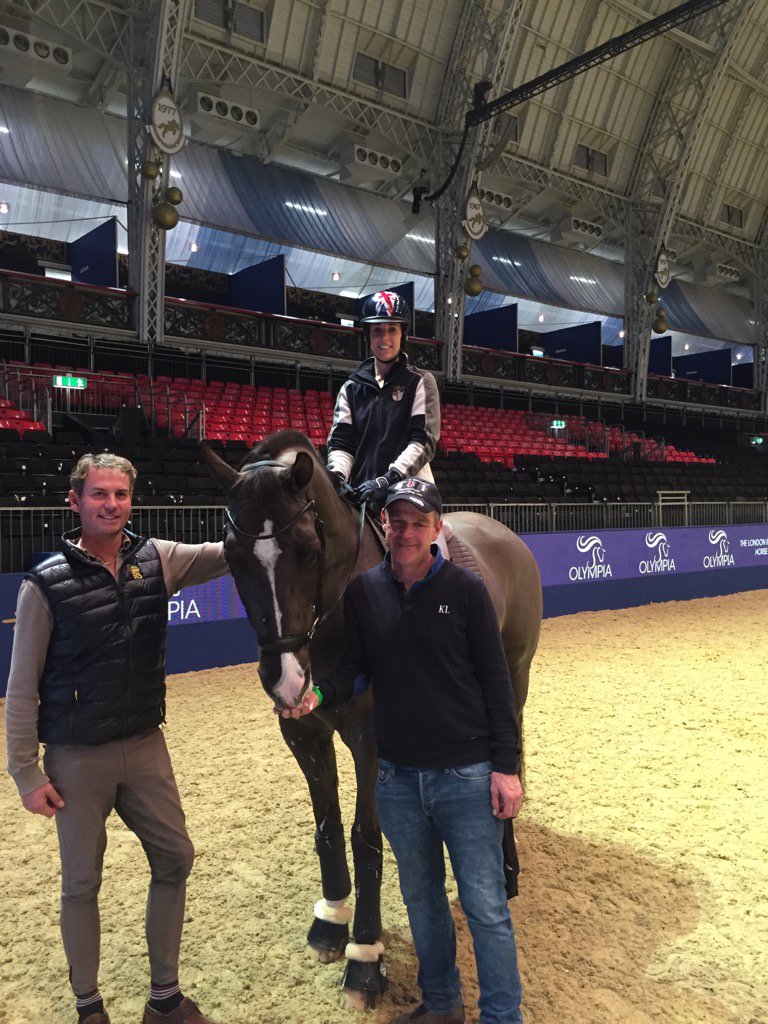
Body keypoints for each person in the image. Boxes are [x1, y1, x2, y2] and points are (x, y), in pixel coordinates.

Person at [286, 477, 524, 1024]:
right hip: (395, 779)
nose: (406, 532)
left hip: (465, 774)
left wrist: (506, 770)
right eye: (398, 523)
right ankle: (442, 1006)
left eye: (419, 523)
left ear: (437, 528)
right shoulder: (366, 591)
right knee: (422, 901)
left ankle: (501, 1016)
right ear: (385, 526)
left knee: (485, 908)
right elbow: (357, 668)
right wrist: (318, 693)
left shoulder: (465, 591)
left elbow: (497, 684)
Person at [5, 453, 229, 1024]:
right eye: (99, 494)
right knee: (82, 882)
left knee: (176, 857)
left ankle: (164, 1000)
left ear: (133, 500)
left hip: (145, 745)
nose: (111, 504)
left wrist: (277, 518)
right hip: (76, 758)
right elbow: (21, 687)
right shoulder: (45, 583)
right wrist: (26, 773)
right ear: (75, 501)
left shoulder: (158, 558)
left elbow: (233, 552)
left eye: (121, 495)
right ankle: (89, 1006)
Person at [326, 290, 441, 509]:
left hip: (409, 492)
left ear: (402, 335)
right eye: (377, 330)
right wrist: (338, 479)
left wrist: (388, 479)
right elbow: (342, 443)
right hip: (362, 493)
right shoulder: (350, 389)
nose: (384, 338)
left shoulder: (420, 382)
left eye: (392, 330)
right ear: (368, 335)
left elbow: (422, 441)